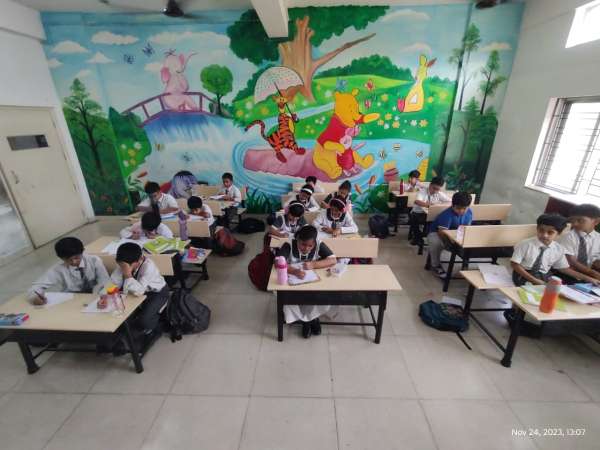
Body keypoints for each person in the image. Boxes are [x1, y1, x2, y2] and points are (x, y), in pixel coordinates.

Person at [276, 225, 336, 338]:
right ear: (297, 239)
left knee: (320, 294)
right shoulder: (289, 244)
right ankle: (307, 321)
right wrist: (294, 271)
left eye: (310, 246)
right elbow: (277, 262)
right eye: (303, 244)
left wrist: (314, 264)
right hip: (294, 282)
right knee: (291, 296)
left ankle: (312, 318)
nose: (307, 248)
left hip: (312, 281)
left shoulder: (318, 244)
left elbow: (333, 260)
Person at [108, 242, 169, 348]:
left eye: (127, 266)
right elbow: (113, 283)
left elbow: (139, 291)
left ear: (139, 260)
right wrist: (107, 294)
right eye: (121, 265)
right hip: (136, 294)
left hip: (156, 293)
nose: (124, 268)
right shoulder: (124, 264)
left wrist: (128, 274)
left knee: (144, 321)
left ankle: (157, 324)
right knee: (119, 315)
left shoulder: (148, 266)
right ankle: (123, 337)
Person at [511, 214, 597, 286]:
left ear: (559, 233)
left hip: (543, 275)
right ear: (537, 229)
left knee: (559, 291)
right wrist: (535, 281)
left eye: (550, 232)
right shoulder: (525, 244)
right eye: (541, 230)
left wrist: (589, 278)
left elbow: (564, 269)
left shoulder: (558, 249)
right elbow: (515, 265)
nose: (544, 235)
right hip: (523, 274)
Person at [28, 237, 110, 305]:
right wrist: (35, 297)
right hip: (72, 300)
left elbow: (105, 281)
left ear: (82, 251)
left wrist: (99, 296)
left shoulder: (94, 261)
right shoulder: (58, 269)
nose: (74, 262)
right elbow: (35, 287)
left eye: (76, 258)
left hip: (96, 296)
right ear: (61, 258)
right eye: (68, 259)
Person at [427, 192, 473, 277]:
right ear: (453, 205)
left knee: (469, 244)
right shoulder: (446, 215)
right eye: (458, 208)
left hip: (456, 234)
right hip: (438, 234)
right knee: (435, 242)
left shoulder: (469, 212)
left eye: (464, 208)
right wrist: (450, 244)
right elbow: (441, 232)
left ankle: (465, 266)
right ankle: (435, 265)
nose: (461, 211)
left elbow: (467, 227)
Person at [559, 203, 600, 281]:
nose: (575, 223)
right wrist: (593, 273)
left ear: (596, 221)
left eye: (580, 220)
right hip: (568, 274)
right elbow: (571, 261)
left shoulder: (598, 238)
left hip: (590, 275)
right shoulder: (568, 236)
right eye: (572, 220)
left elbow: (597, 262)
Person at [409, 176, 450, 245]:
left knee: (438, 220)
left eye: (438, 189)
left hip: (430, 214)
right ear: (430, 185)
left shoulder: (439, 193)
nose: (435, 191)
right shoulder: (423, 191)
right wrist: (429, 205)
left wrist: (440, 205)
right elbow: (417, 201)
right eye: (434, 188)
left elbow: (450, 201)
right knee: (414, 218)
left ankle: (427, 236)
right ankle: (417, 237)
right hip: (418, 213)